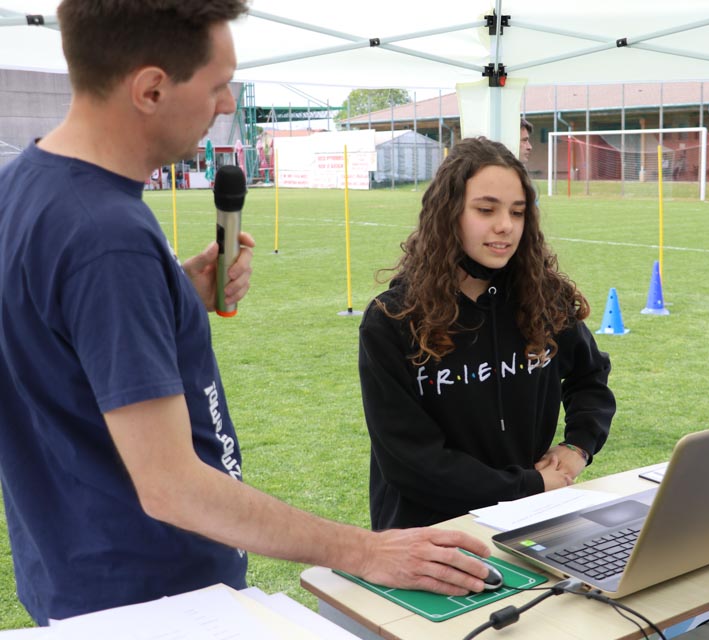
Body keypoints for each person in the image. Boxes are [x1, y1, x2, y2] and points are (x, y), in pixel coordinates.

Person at [0, 0, 489, 626]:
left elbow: (52, 340)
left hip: (70, 574)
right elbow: (171, 486)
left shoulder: (24, 186)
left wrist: (173, 294)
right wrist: (366, 550)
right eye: (218, 85)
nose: (227, 103)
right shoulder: (108, 237)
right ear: (150, 89)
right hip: (152, 598)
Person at [359, 137, 616, 530]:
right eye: (485, 209)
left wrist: (579, 444)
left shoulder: (543, 300)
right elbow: (411, 461)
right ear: (448, 214)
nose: (505, 225)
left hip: (527, 521)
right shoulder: (392, 320)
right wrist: (528, 485)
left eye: (517, 212)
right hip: (430, 535)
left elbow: (590, 377)